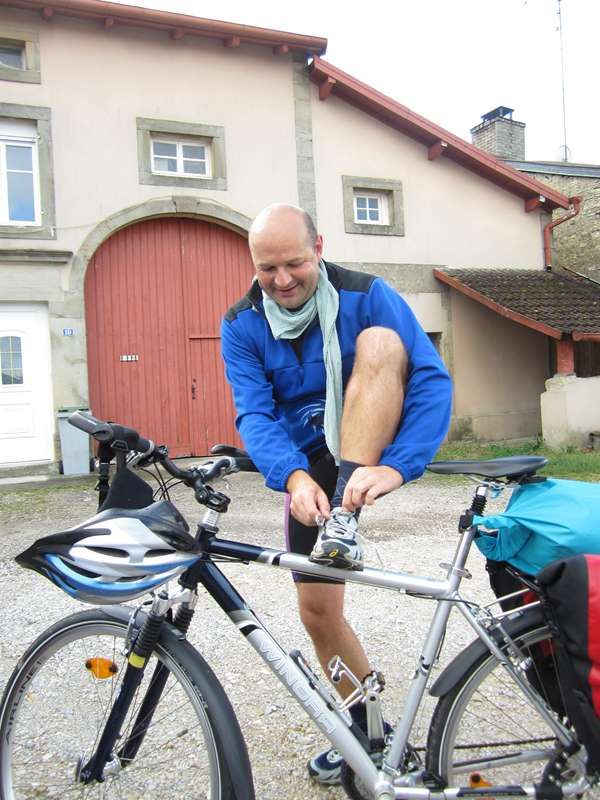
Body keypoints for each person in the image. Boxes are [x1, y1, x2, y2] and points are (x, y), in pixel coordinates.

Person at [221, 203, 452, 785]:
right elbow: (255, 413)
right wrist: (292, 476)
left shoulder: (366, 294)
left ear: (319, 248)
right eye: (267, 268)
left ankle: (347, 508)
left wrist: (398, 466)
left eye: (294, 263)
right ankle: (369, 734)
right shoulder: (242, 324)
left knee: (381, 341)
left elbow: (429, 378)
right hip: (309, 463)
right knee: (318, 610)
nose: (282, 280)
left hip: (368, 448)